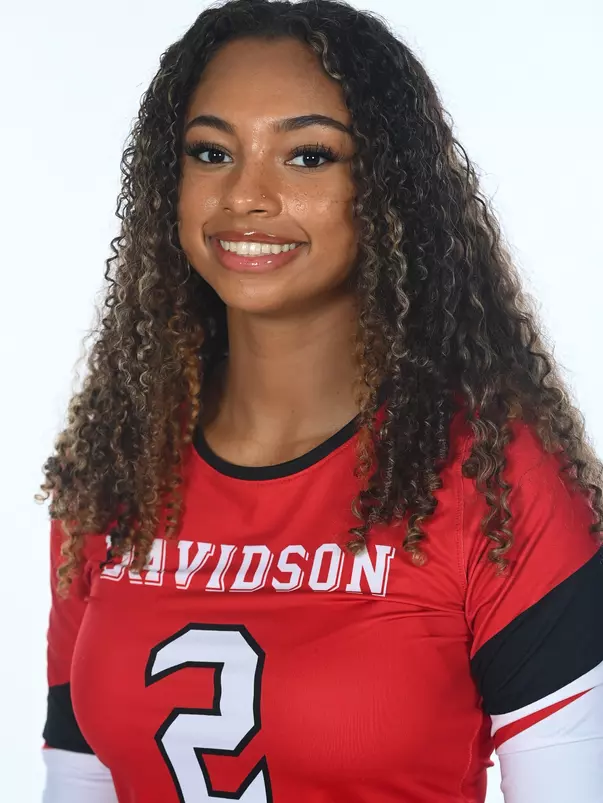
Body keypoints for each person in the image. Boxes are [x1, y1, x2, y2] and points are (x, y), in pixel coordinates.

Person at [37, 0, 603, 801]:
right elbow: (79, 777)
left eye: (308, 156)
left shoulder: (494, 478)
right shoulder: (118, 467)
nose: (245, 195)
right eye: (210, 152)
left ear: (388, 191)